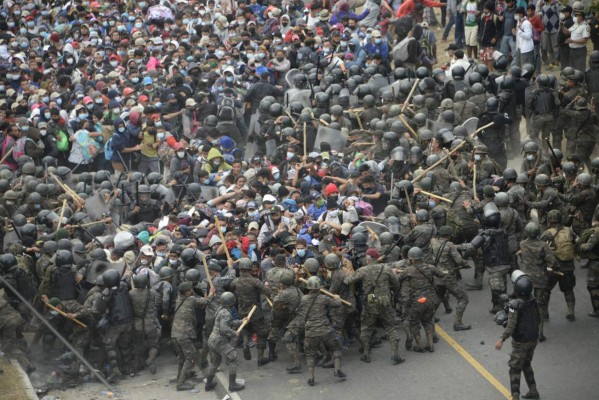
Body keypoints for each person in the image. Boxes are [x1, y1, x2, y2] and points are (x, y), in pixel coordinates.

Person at [344, 248, 404, 364]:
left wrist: (347, 272)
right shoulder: (386, 269)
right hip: (385, 301)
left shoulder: (363, 270)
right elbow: (396, 283)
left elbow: (347, 281)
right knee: (391, 327)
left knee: (366, 327)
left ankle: (366, 354)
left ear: (368, 259)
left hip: (370, 301)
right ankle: (395, 355)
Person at [495, 271, 541, 400]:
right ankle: (533, 391)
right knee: (526, 364)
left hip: (521, 342)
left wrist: (501, 339)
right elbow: (538, 319)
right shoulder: (533, 301)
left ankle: (515, 397)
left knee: (514, 369)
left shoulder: (515, 305)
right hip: (533, 339)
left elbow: (510, 326)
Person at [562, 2, 590, 73]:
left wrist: (572, 41)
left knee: (579, 71)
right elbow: (567, 32)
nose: (576, 17)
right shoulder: (575, 24)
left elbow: (584, 40)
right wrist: (561, 25)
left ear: (582, 16)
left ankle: (581, 84)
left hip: (580, 51)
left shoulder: (585, 26)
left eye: (578, 15)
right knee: (572, 71)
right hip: (572, 51)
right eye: (575, 15)